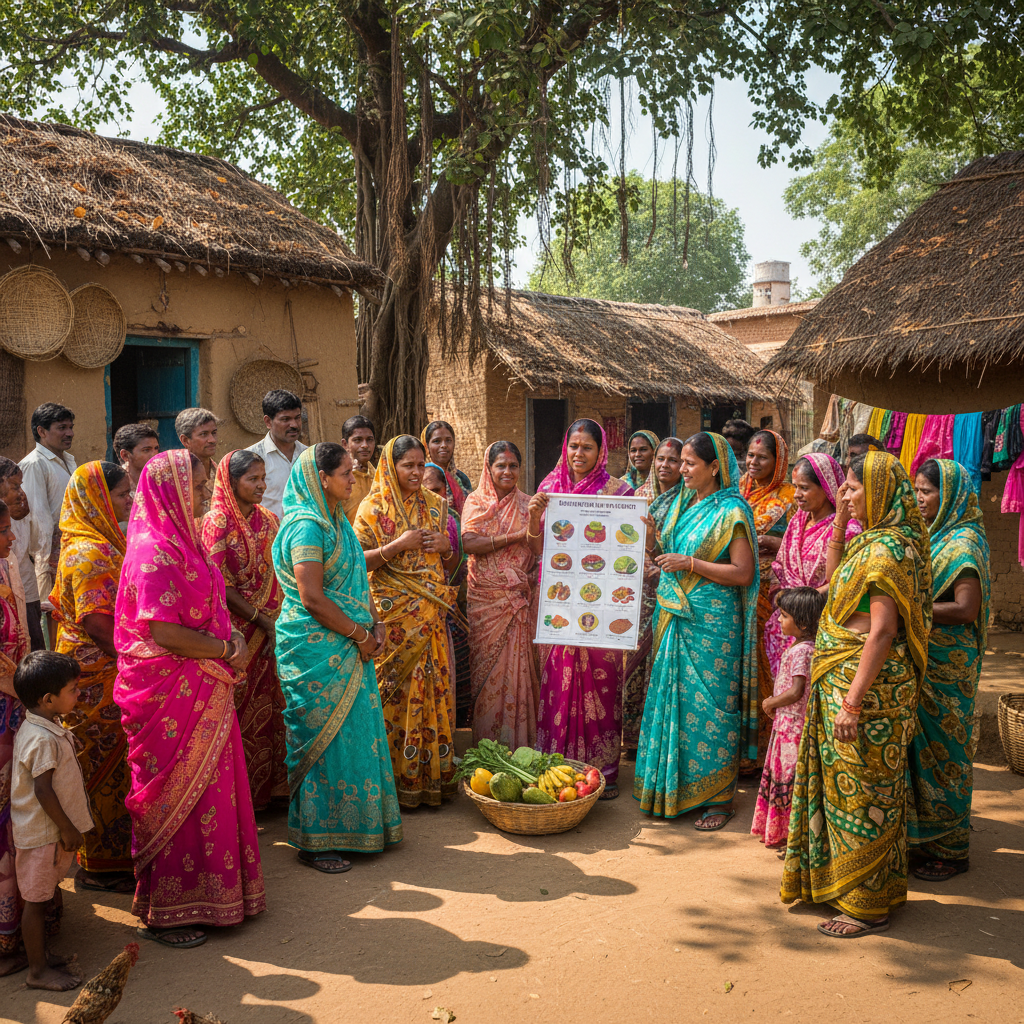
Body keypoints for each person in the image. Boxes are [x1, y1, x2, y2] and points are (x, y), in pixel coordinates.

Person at [114, 450, 266, 948]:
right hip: (170, 692)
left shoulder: (187, 539)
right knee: (177, 792)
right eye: (197, 487)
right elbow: (162, 631)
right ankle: (169, 910)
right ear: (170, 492)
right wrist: (225, 647)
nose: (204, 494)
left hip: (204, 683)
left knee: (214, 789)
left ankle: (221, 894)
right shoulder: (152, 550)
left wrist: (229, 647)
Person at [782, 451, 931, 938]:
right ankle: (846, 886)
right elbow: (832, 578)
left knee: (865, 791)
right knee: (848, 789)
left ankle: (867, 906)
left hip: (867, 691)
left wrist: (852, 701)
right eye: (842, 486)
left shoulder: (891, 550)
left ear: (882, 492)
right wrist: (845, 519)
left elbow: (883, 632)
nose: (844, 492)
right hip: (843, 678)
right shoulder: (872, 540)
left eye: (853, 487)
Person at [272, 444, 401, 871]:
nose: (352, 478)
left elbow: (358, 582)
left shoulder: (338, 521)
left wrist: (375, 622)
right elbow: (311, 597)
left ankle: (362, 827)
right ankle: (316, 840)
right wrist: (359, 633)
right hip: (315, 649)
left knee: (355, 734)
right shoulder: (308, 527)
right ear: (321, 478)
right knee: (322, 742)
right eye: (345, 472)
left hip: (349, 643)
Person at [632, 432, 759, 829]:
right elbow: (664, 557)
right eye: (681, 462)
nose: (681, 470)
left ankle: (719, 798)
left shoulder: (732, 511)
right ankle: (672, 787)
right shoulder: (682, 507)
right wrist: (652, 539)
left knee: (711, 706)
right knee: (676, 702)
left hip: (713, 622)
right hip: (674, 616)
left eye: (689, 463)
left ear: (715, 467)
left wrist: (691, 564)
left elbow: (743, 572)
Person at [527, 418, 633, 799]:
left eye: (587, 447)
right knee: (558, 681)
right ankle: (559, 766)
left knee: (602, 684)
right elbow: (537, 549)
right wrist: (534, 517)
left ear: (601, 450)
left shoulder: (620, 492)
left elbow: (629, 549)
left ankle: (602, 770)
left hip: (603, 605)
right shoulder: (549, 488)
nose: (578, 454)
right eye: (573, 446)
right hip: (560, 603)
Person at [353, 436, 460, 808]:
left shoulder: (437, 505)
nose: (416, 472)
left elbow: (448, 565)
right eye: (408, 466)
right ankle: (393, 782)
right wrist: (398, 545)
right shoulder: (371, 508)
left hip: (430, 615)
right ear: (390, 466)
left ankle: (431, 779)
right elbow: (357, 563)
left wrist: (446, 549)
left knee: (434, 688)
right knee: (394, 693)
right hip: (393, 619)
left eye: (420, 464)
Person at [49, 462, 134, 894]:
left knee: (114, 766)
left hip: (104, 669)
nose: (130, 501)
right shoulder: (88, 552)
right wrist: (140, 660)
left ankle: (113, 857)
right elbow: (99, 627)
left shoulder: (104, 542)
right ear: (98, 499)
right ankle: (100, 867)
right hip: (95, 677)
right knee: (100, 765)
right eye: (121, 494)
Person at [908, 458, 990, 881]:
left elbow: (965, 608)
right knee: (919, 753)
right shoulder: (932, 537)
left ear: (952, 495)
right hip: (926, 657)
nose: (919, 499)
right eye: (917, 490)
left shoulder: (962, 544)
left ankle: (952, 850)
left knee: (946, 753)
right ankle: (921, 840)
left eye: (927, 491)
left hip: (949, 667)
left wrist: (912, 610)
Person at [201, 451, 288, 811]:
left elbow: (282, 568)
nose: (261, 485)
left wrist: (275, 621)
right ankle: (241, 799)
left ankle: (275, 790)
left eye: (263, 477)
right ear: (231, 481)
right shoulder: (217, 522)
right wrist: (260, 620)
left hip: (274, 630)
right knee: (239, 712)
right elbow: (217, 583)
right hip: (238, 634)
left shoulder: (269, 520)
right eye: (253, 479)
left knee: (275, 709)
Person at [10, 651, 92, 992]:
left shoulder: (43, 726)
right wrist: (68, 828)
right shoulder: (41, 738)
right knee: (36, 901)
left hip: (49, 832)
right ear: (48, 699)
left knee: (42, 896)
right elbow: (43, 791)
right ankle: (37, 971)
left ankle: (41, 957)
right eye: (73, 689)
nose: (79, 694)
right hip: (44, 835)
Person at [461, 442, 537, 747]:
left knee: (518, 669)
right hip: (486, 602)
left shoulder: (528, 504)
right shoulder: (476, 501)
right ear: (488, 468)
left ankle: (520, 744)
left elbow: (536, 547)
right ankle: (488, 744)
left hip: (518, 599)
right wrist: (513, 536)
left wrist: (534, 522)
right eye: (500, 466)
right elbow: (468, 543)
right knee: (486, 671)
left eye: (513, 466)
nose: (507, 471)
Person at [763, 453, 861, 677]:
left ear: (826, 487)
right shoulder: (797, 522)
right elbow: (781, 567)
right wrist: (783, 598)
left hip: (819, 624)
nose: (797, 495)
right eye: (795, 487)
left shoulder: (849, 529)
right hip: (787, 623)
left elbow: (843, 581)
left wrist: (803, 605)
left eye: (804, 488)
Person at [751, 587, 825, 848]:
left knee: (790, 780)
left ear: (802, 622)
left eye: (784, 616)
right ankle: (790, 835)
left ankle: (794, 838)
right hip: (788, 725)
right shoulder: (803, 648)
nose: (779, 621)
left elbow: (796, 691)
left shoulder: (802, 651)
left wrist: (771, 702)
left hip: (793, 726)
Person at [739, 428, 796, 762]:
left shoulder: (791, 496)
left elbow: (804, 539)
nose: (753, 462)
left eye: (762, 457)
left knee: (768, 666)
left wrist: (778, 544)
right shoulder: (737, 491)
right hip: (737, 589)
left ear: (778, 462)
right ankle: (740, 749)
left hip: (771, 596)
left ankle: (764, 751)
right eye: (750, 455)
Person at [623, 437, 679, 756]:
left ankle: (654, 740)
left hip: (671, 592)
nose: (663, 465)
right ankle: (631, 738)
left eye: (672, 460)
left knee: (661, 664)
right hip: (635, 594)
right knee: (632, 664)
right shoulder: (638, 497)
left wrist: (661, 566)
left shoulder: (688, 502)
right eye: (660, 459)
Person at [20, 403, 77, 646]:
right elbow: (39, 517)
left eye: (71, 427)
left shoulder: (67, 460)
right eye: (61, 427)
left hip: (64, 549)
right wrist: (44, 563)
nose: (69, 433)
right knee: (49, 617)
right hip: (46, 557)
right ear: (42, 431)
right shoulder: (35, 464)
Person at [422, 462, 472, 728]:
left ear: (447, 490)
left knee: (453, 674)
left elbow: (457, 565)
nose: (432, 495)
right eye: (425, 488)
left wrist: (445, 549)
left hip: (447, 609)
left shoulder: (451, 520)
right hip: (412, 614)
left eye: (437, 489)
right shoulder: (402, 518)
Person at [0, 458, 43, 652]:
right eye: (15, 486)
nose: (21, 494)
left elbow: (33, 546)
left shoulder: (21, 511)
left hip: (25, 591)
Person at [246, 390, 306, 521]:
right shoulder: (252, 458)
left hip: (302, 537)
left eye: (297, 418)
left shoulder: (309, 456)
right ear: (268, 422)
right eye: (285, 419)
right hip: (266, 537)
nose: (294, 425)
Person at [421, 421, 472, 510]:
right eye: (437, 441)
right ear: (426, 446)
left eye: (448, 440)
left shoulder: (462, 479)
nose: (444, 445)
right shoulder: (421, 477)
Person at [113, 423, 160, 512]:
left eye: (156, 448)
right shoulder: (115, 486)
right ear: (126, 455)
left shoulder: (162, 479)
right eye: (146, 450)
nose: (155, 455)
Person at [341, 415, 377, 524]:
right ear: (345, 444)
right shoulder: (338, 478)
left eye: (369, 440)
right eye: (358, 440)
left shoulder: (378, 476)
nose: (365, 445)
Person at [175, 407, 219, 481]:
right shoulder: (177, 478)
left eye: (214, 433)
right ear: (185, 440)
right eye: (203, 434)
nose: (213, 440)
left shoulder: (222, 475)